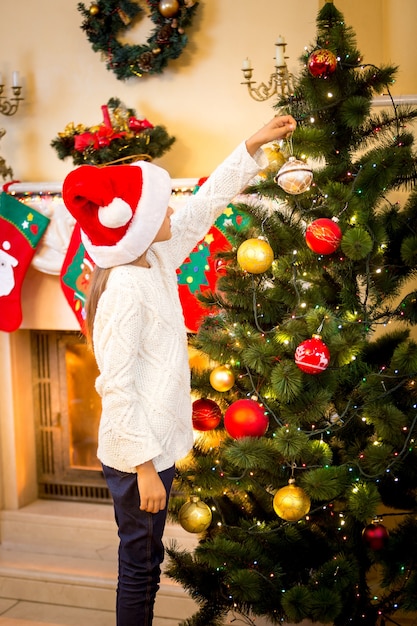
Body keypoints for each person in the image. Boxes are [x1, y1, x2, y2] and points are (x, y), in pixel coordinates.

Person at [62, 114, 296, 626]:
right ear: (140, 223)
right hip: (135, 454)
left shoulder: (155, 257)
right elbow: (116, 388)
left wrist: (250, 144)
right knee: (140, 568)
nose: (172, 210)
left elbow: (203, 208)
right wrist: (145, 466)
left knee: (145, 564)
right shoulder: (123, 290)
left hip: (155, 442)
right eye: (159, 206)